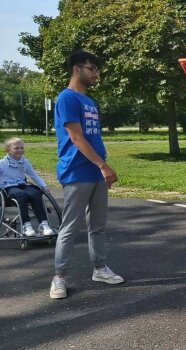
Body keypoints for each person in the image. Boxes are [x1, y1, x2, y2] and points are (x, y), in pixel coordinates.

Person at [50, 51, 123, 300]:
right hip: (76, 171)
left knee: (98, 225)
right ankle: (59, 277)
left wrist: (102, 165)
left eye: (96, 69)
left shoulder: (90, 102)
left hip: (95, 171)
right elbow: (76, 138)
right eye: (91, 69)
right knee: (70, 227)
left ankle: (100, 269)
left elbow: (93, 137)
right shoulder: (66, 98)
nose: (95, 74)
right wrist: (104, 166)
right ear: (76, 69)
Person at [0, 137, 54, 237]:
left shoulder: (24, 162)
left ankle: (44, 224)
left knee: (34, 193)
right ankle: (26, 225)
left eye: (21, 148)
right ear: (8, 150)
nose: (20, 150)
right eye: (16, 148)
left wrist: (44, 186)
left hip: (22, 185)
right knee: (21, 194)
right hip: (8, 187)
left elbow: (33, 175)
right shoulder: (2, 164)